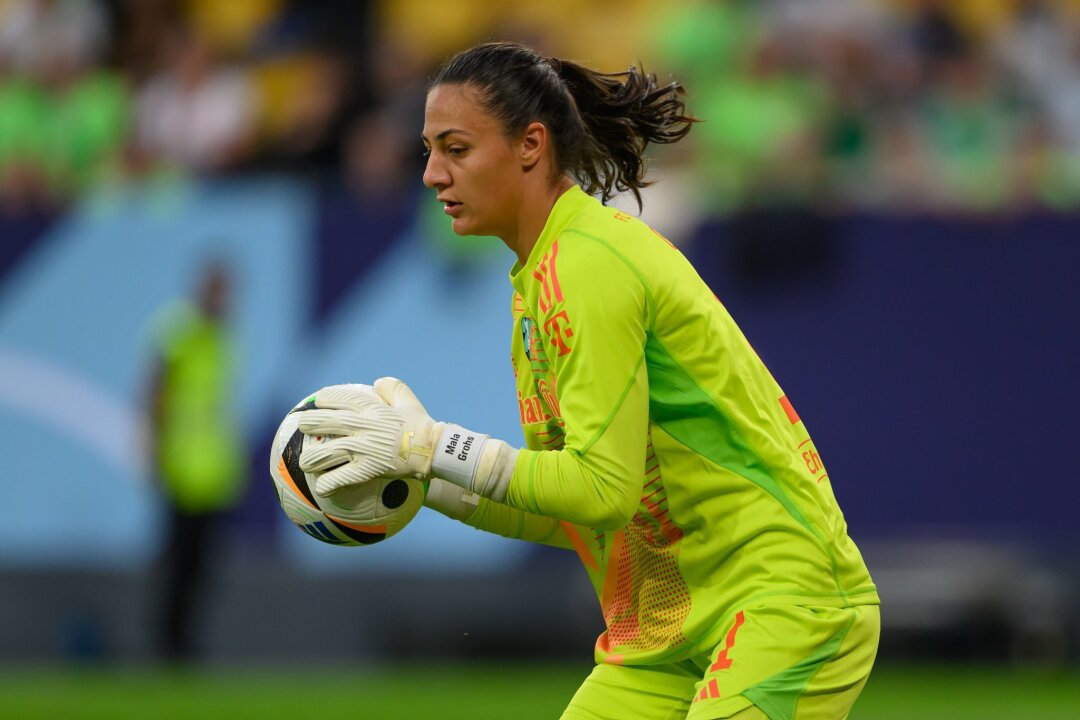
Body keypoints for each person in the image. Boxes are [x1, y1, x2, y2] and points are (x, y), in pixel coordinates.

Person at [292, 41, 879, 719]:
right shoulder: (537, 287)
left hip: (780, 605)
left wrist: (441, 446)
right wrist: (426, 484)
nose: (430, 174)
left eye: (454, 148)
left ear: (530, 146)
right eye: (427, 151)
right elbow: (576, 509)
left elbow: (600, 490)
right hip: (671, 632)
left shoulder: (589, 266)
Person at [147, 262, 248, 661]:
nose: (223, 299)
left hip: (213, 469)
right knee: (179, 562)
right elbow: (156, 391)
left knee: (203, 566)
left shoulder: (225, 337)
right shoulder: (178, 331)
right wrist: (156, 448)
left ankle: (185, 643)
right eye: (218, 290)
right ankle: (168, 644)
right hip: (181, 464)